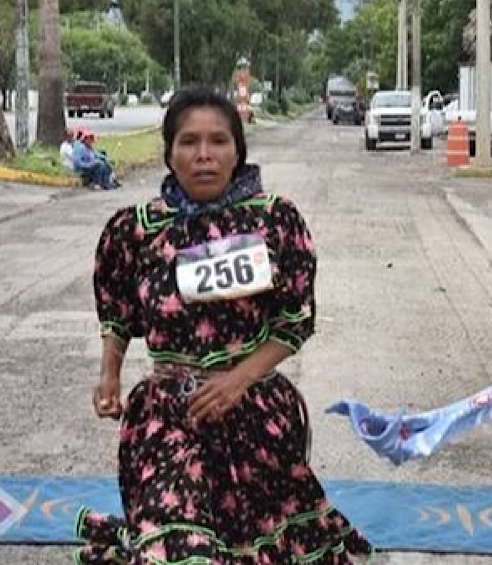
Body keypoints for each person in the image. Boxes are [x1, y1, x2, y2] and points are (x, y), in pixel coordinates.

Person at [79, 87, 372, 565]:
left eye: (218, 141)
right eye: (188, 142)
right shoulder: (135, 231)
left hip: (254, 414)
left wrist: (238, 381)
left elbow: (294, 321)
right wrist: (110, 374)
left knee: (256, 548)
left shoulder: (274, 222)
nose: (203, 155)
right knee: (176, 547)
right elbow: (118, 313)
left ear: (238, 151)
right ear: (169, 153)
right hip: (171, 417)